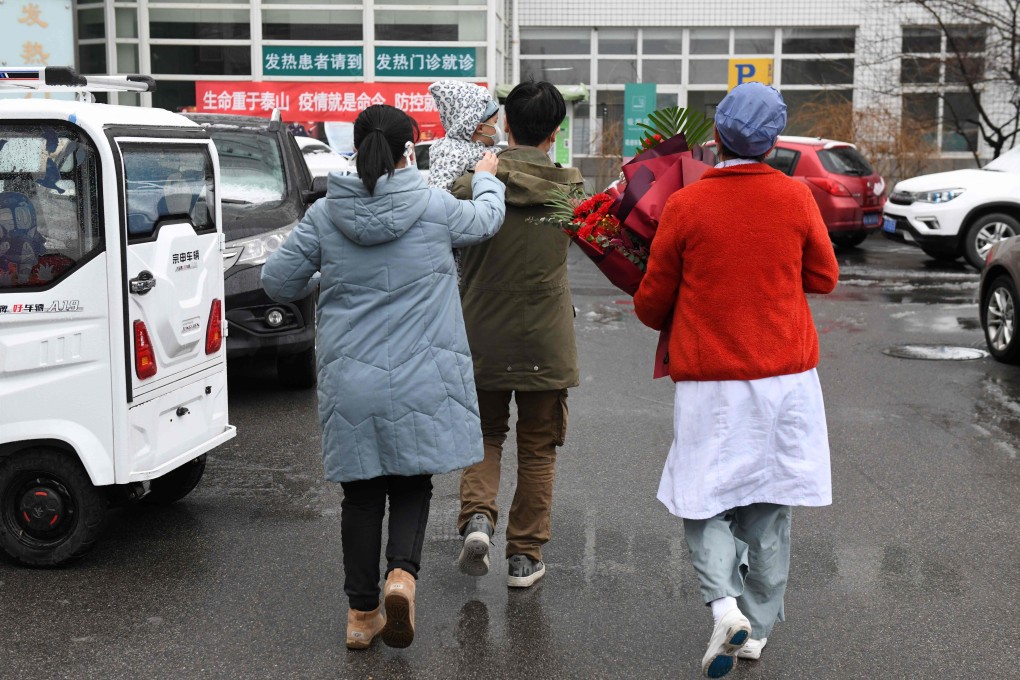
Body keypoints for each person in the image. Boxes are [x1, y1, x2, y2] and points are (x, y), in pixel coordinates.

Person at [261, 104, 505, 650]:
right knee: (413, 481)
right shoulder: (436, 206)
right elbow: (487, 222)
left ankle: (360, 615)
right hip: (422, 373)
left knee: (362, 495)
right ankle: (401, 575)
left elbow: (278, 282)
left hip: (353, 380)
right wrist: (487, 181)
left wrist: (331, 274)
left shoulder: (326, 215)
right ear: (407, 150)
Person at [632, 82, 840, 678]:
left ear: (717, 137)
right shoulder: (796, 197)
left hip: (710, 381)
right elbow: (823, 277)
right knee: (769, 507)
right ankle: (755, 632)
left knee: (701, 498)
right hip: (786, 378)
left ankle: (724, 605)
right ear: (773, 142)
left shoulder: (688, 205)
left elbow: (652, 305)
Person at [450, 81, 585, 588]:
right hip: (546, 341)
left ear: (506, 124)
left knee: (484, 435)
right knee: (537, 447)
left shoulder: (472, 184)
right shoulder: (571, 191)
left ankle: (478, 519)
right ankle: (524, 557)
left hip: (480, 331)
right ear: (555, 132)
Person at [427, 80, 501, 191]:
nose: (498, 128)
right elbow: (438, 196)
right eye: (495, 122)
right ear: (480, 128)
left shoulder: (483, 150)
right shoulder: (452, 153)